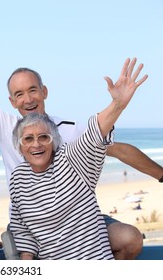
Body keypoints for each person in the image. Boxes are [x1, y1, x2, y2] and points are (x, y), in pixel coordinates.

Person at [0, 8, 163, 259]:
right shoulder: (6, 127)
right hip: (29, 224)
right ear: (11, 101)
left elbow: (119, 150)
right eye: (19, 94)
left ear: (45, 92)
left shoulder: (70, 128)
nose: (27, 99)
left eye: (33, 90)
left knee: (129, 238)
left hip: (76, 221)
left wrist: (161, 175)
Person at [9, 58, 147, 259]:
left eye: (44, 137)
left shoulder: (72, 160)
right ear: (20, 147)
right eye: (28, 139)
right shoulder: (18, 178)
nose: (36, 144)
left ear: (54, 141)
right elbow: (23, 232)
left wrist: (117, 104)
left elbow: (95, 132)